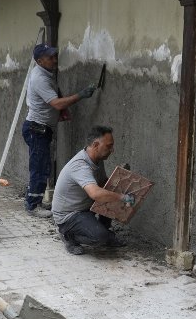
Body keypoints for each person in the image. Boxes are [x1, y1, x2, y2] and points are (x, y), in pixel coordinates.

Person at [22, 43, 97, 218]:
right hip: (37, 128)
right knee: (39, 167)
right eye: (50, 57)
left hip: (40, 128)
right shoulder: (40, 78)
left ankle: (34, 200)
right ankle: (33, 206)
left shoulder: (45, 73)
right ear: (39, 61)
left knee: (41, 165)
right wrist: (81, 95)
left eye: (55, 56)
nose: (55, 60)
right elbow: (55, 103)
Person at [52, 126, 135, 255]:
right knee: (100, 237)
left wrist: (120, 182)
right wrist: (122, 197)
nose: (112, 150)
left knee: (110, 195)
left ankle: (105, 232)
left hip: (84, 209)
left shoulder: (97, 160)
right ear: (96, 145)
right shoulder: (80, 166)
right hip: (69, 216)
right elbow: (96, 193)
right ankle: (68, 236)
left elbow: (104, 184)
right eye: (109, 146)